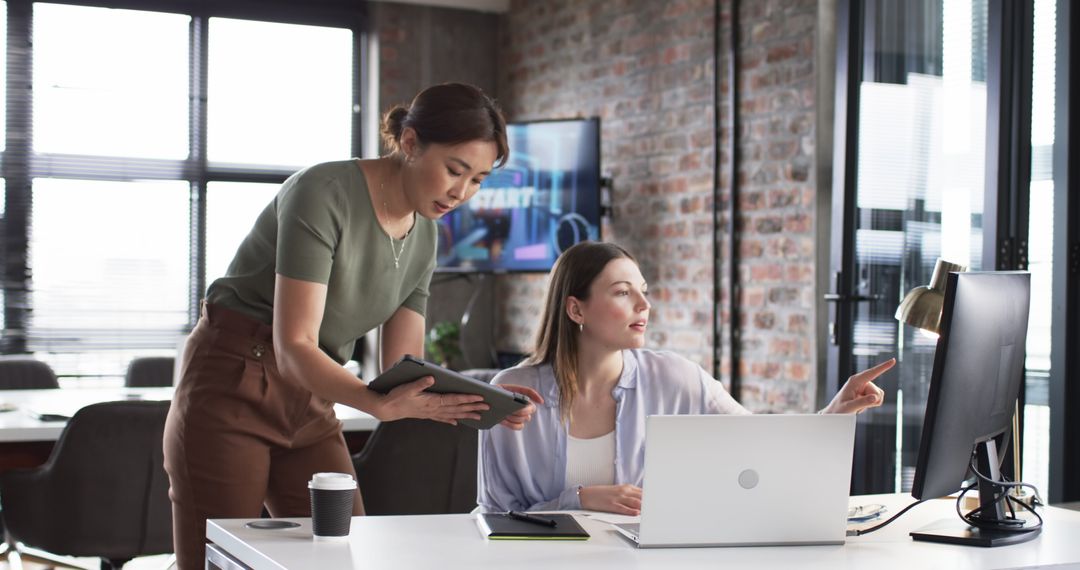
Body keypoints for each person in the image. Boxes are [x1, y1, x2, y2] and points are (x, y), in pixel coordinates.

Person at [163, 83, 541, 569]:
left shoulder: (425, 235)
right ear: (410, 143)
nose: (461, 193)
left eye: (478, 180)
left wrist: (484, 401)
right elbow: (293, 344)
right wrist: (373, 403)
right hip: (231, 381)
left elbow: (405, 367)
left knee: (341, 557)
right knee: (216, 562)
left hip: (310, 395)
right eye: (454, 170)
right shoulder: (323, 192)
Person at [477, 241, 893, 515]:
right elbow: (495, 516)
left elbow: (760, 440)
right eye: (623, 292)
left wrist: (833, 414)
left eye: (643, 290)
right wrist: (579, 500)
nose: (644, 304)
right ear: (576, 309)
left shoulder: (675, 378)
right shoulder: (512, 393)